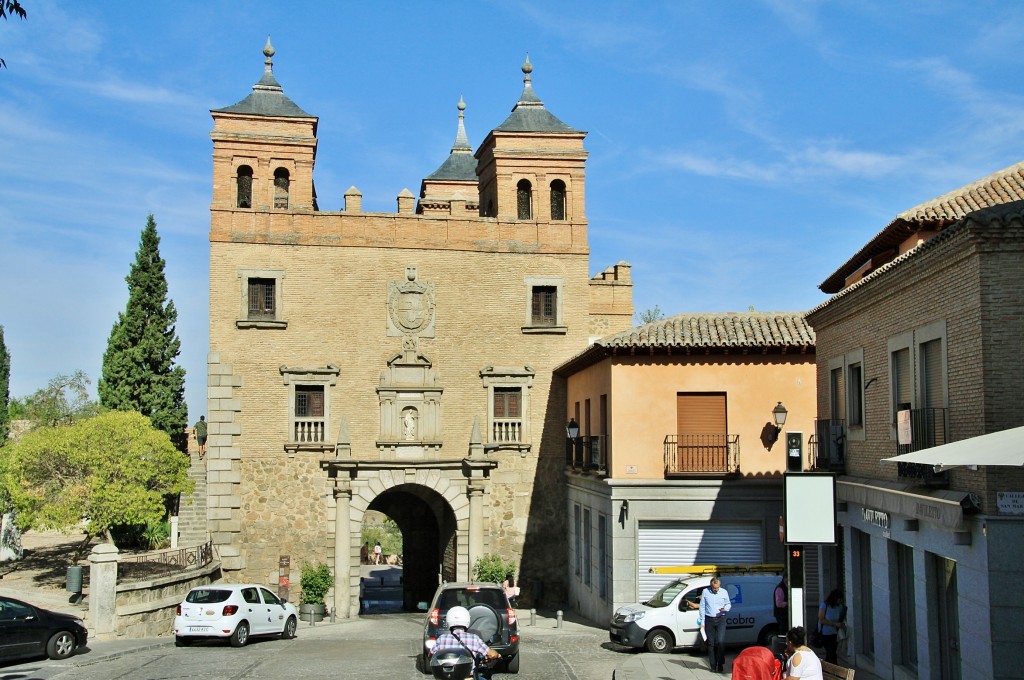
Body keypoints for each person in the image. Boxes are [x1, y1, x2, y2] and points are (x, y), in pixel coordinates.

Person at [431, 605, 500, 678]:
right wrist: (498, 655)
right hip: (467, 677)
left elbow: (432, 655)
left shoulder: (441, 639)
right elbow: (491, 654)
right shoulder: (473, 639)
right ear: (467, 620)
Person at [699, 577, 732, 673]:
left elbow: (729, 604)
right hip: (709, 619)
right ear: (711, 586)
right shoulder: (705, 592)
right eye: (714, 588)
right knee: (711, 643)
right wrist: (702, 622)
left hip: (721, 618)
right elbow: (702, 607)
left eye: (717, 588)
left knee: (721, 642)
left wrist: (725, 608)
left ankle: (720, 664)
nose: (716, 589)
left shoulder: (724, 592)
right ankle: (713, 665)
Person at [817, 588, 846, 664]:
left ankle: (828, 669)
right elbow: (821, 619)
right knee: (831, 652)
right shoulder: (824, 605)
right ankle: (832, 669)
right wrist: (834, 624)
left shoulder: (839, 607)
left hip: (835, 633)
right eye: (839, 599)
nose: (840, 601)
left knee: (832, 652)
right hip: (826, 633)